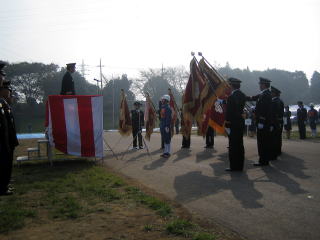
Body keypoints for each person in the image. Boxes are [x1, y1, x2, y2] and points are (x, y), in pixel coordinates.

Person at [0, 63, 19, 196]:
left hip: (7, 140)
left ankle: (4, 184)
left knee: (6, 163)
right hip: (2, 141)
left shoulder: (3, 103)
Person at [247, 77, 272, 166]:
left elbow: (265, 110)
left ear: (264, 85)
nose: (259, 86)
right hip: (262, 121)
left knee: (263, 142)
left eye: (260, 84)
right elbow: (253, 98)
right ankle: (263, 160)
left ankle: (264, 160)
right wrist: (242, 97)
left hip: (263, 122)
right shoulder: (263, 94)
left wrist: (261, 121)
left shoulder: (266, 95)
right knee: (262, 141)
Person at [224, 77, 246, 171]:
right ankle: (240, 165)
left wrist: (227, 125)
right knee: (240, 145)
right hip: (240, 123)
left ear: (231, 85)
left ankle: (234, 166)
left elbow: (229, 113)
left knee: (233, 146)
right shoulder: (242, 95)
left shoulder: (231, 97)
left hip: (233, 124)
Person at [270, 86, 284, 160]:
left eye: (272, 92)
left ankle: (275, 152)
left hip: (275, 121)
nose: (271, 94)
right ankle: (278, 150)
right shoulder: (280, 101)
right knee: (278, 137)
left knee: (274, 137)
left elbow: (273, 113)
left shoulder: (274, 101)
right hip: (279, 121)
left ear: (274, 93)